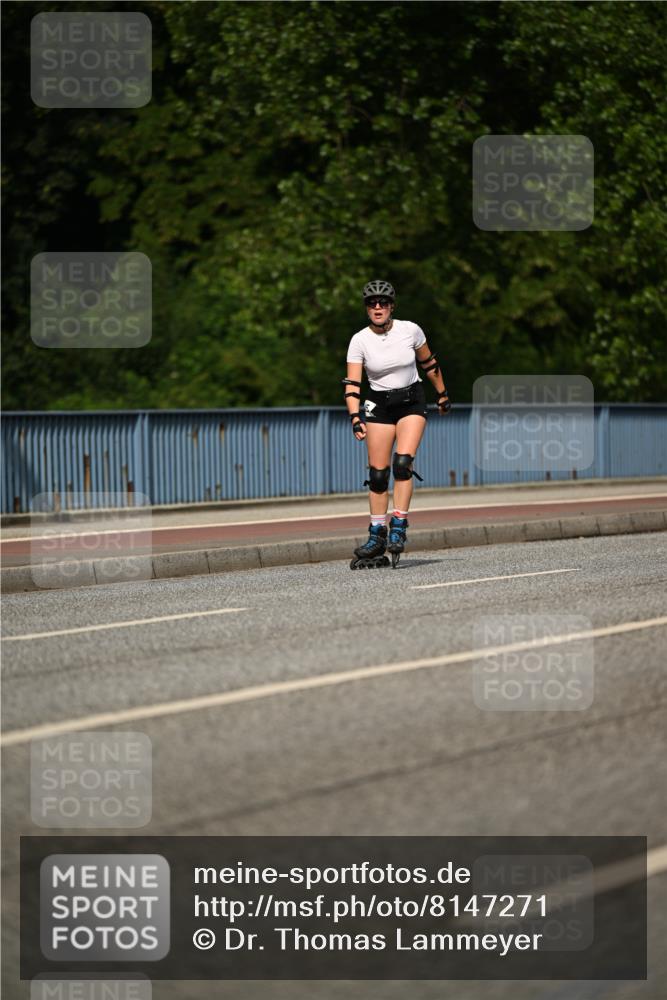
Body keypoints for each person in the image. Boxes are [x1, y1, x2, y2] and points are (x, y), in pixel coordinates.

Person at [344, 280, 451, 569]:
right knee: (378, 475)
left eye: (383, 302)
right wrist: (356, 417)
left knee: (402, 463)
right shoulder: (359, 340)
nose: (377, 307)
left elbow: (429, 363)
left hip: (411, 402)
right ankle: (377, 534)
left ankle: (399, 525)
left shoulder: (410, 330)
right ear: (366, 309)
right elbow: (353, 384)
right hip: (379, 405)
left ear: (392, 306)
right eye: (371, 303)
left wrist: (441, 394)